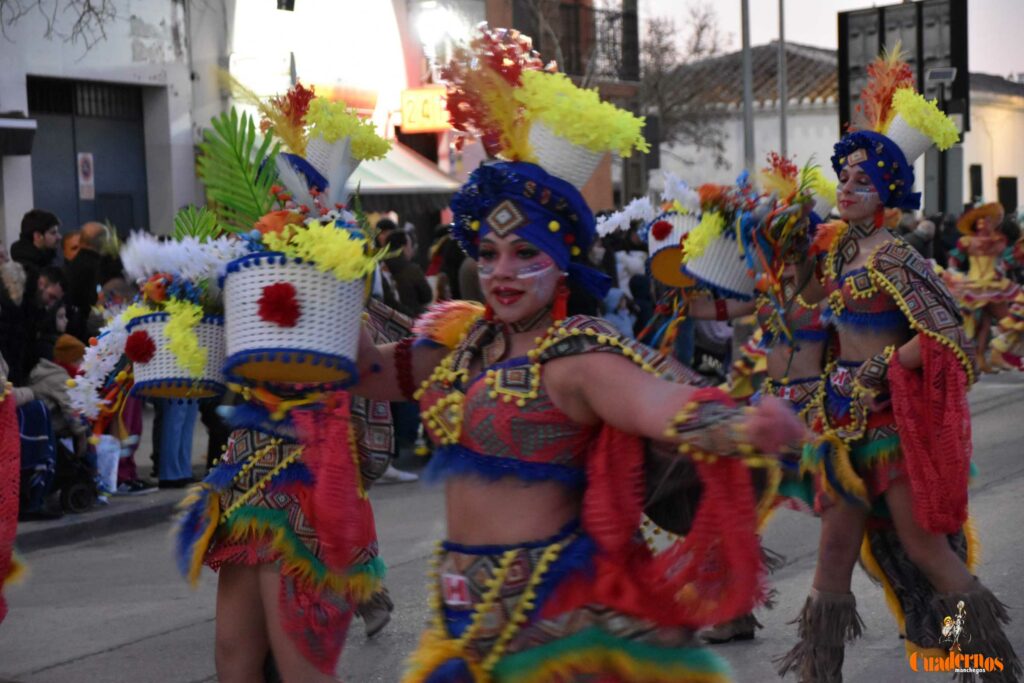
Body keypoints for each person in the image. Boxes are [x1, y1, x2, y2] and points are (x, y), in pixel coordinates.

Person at [351, 159, 804, 681]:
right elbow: (365, 371)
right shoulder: (465, 345)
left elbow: (656, 403)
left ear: (561, 262)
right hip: (462, 620)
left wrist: (746, 425)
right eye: (489, 255)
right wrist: (333, 264)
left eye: (525, 254)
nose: (503, 272)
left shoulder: (574, 355)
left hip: (553, 621)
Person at [778, 52, 1020, 681]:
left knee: (924, 548)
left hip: (892, 430)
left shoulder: (898, 258)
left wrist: (879, 367)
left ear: (886, 193)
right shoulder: (836, 258)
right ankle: (818, 673)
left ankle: (981, 663)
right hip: (842, 429)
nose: (848, 189)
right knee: (832, 555)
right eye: (844, 178)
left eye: (862, 181)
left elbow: (943, 335)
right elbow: (805, 320)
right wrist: (787, 261)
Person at [943, 202, 1020, 372]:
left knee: (985, 324)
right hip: (981, 286)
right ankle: (995, 352)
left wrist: (1003, 267)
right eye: (981, 221)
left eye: (987, 221)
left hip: (986, 285)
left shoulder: (996, 240)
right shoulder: (969, 241)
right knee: (1011, 320)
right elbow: (954, 259)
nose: (984, 224)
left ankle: (983, 359)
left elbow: (1008, 260)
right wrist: (953, 273)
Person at [64, 222, 107, 342]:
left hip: (74, 331)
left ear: (82, 241)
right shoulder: (99, 268)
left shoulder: (72, 266)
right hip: (91, 333)